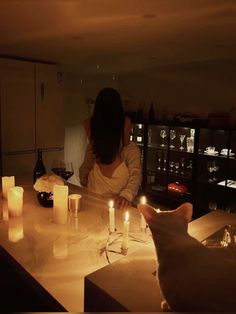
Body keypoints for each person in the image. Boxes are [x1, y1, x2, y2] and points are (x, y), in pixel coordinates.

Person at [79, 87, 142, 210]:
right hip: (94, 202)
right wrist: (84, 175)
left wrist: (126, 196)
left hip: (120, 206)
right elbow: (86, 164)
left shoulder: (128, 148)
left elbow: (136, 173)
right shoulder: (91, 130)